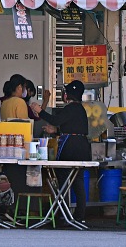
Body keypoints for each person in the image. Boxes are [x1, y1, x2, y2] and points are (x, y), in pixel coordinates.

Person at [38, 80, 92, 224]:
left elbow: (55, 120)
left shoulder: (71, 108)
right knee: (78, 181)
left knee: (62, 179)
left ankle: (62, 213)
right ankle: (80, 216)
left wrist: (40, 111)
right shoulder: (80, 109)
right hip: (82, 147)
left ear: (67, 95)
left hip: (70, 146)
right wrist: (56, 131)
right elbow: (73, 128)